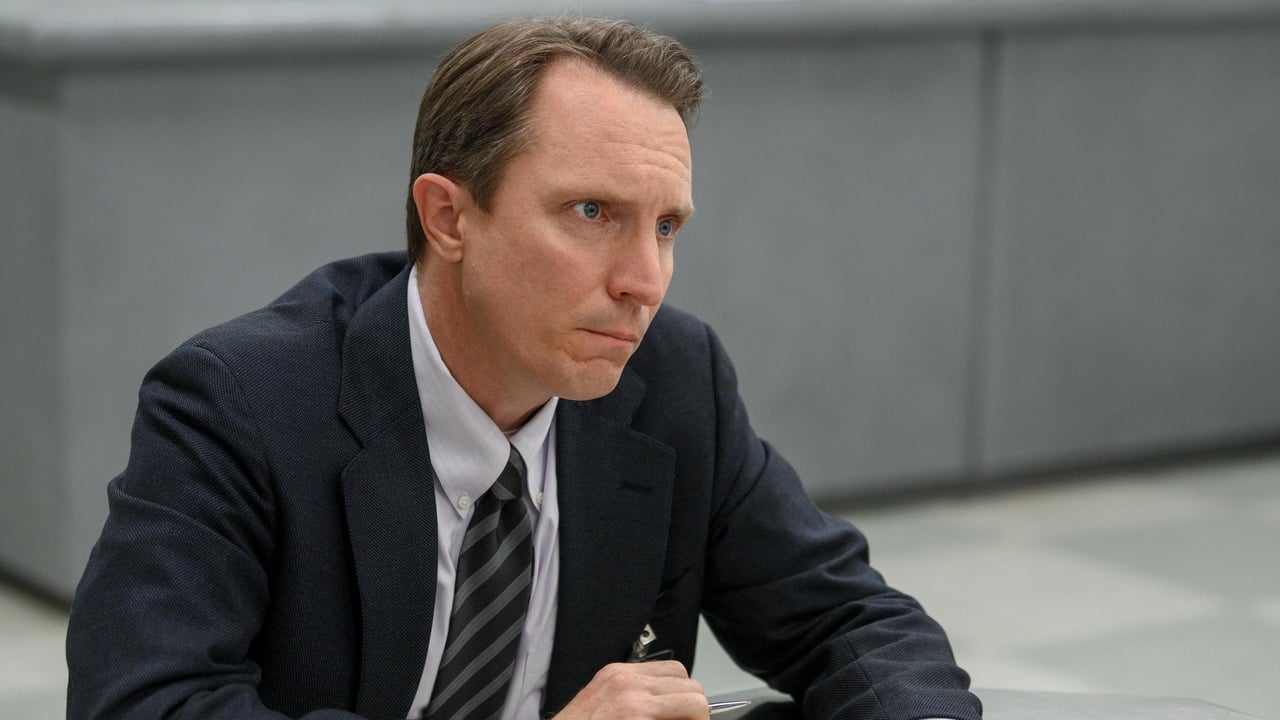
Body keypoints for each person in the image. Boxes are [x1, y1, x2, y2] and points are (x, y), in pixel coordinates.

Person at [65, 16, 983, 720]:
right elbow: (145, 703)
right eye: (592, 213)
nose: (644, 281)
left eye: (667, 226)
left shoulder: (675, 380)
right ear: (449, 218)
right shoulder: (238, 402)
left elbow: (849, 623)